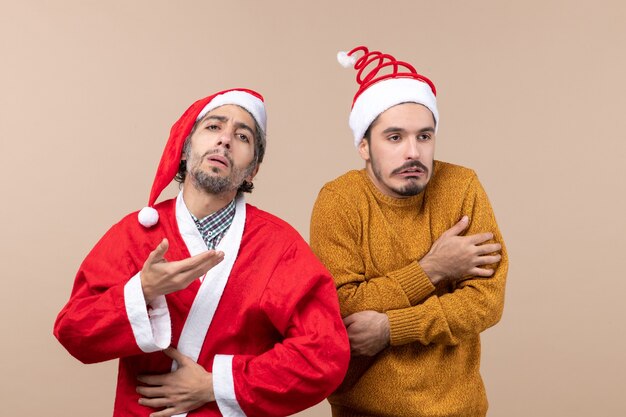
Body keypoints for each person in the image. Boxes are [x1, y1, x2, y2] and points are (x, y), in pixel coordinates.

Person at [54, 88, 350, 417]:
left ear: (252, 170)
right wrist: (143, 290)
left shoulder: (280, 247)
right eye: (213, 127)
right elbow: (74, 331)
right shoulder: (137, 235)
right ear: (184, 149)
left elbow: (324, 355)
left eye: (242, 136)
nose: (225, 140)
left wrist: (216, 385)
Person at [310, 46, 508, 417]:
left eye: (424, 136)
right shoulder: (339, 201)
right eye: (395, 137)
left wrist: (391, 328)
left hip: (459, 409)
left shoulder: (462, 186)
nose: (413, 153)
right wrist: (433, 269)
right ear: (364, 146)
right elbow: (340, 308)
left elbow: (486, 301)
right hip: (363, 411)